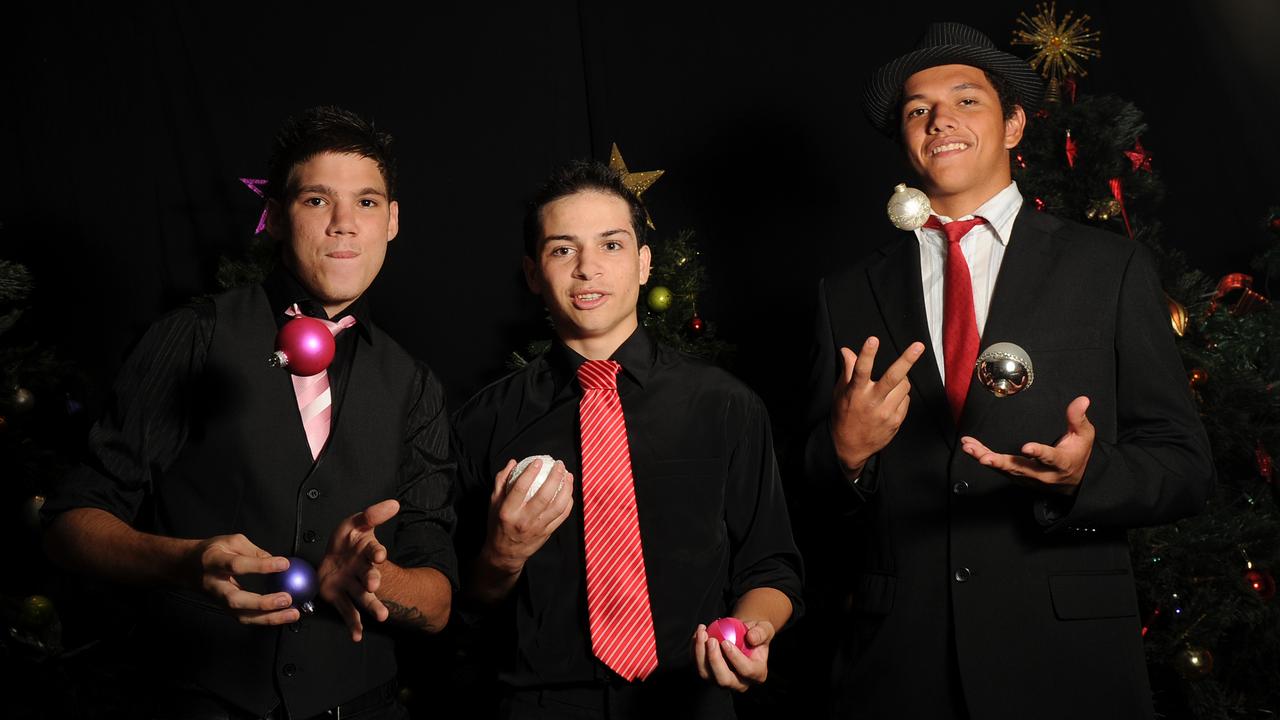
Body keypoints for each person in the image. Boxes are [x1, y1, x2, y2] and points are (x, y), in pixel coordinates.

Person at [802, 22, 1214, 720]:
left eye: (967, 101)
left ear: (1015, 124)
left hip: (1064, 661)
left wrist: (1090, 475)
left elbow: (1185, 468)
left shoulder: (1108, 269)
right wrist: (844, 453)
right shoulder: (846, 293)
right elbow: (807, 494)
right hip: (899, 663)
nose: (940, 121)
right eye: (917, 109)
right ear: (905, 138)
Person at [43, 106, 456, 720]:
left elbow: (440, 602)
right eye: (317, 200)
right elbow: (68, 525)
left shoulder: (414, 384)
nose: (344, 224)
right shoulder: (193, 337)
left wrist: (375, 581)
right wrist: (181, 562)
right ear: (277, 217)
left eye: (367, 203)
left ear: (392, 221)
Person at [451, 160, 803, 718]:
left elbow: (771, 565)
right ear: (532, 273)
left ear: (643, 264)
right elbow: (461, 603)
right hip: (539, 703)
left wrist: (755, 629)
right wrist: (502, 554)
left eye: (611, 246)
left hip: (691, 701)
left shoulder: (725, 404)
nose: (588, 268)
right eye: (562, 249)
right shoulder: (483, 422)